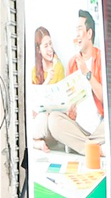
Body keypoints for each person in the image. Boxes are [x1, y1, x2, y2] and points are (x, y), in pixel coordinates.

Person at [44, 9, 107, 155]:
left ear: (89, 34)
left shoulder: (101, 59)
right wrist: (66, 107)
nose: (76, 34)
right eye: (75, 30)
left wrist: (87, 74)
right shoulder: (72, 63)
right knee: (54, 120)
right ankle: (94, 149)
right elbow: (69, 100)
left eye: (80, 29)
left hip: (99, 129)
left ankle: (87, 148)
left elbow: (105, 98)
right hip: (78, 127)